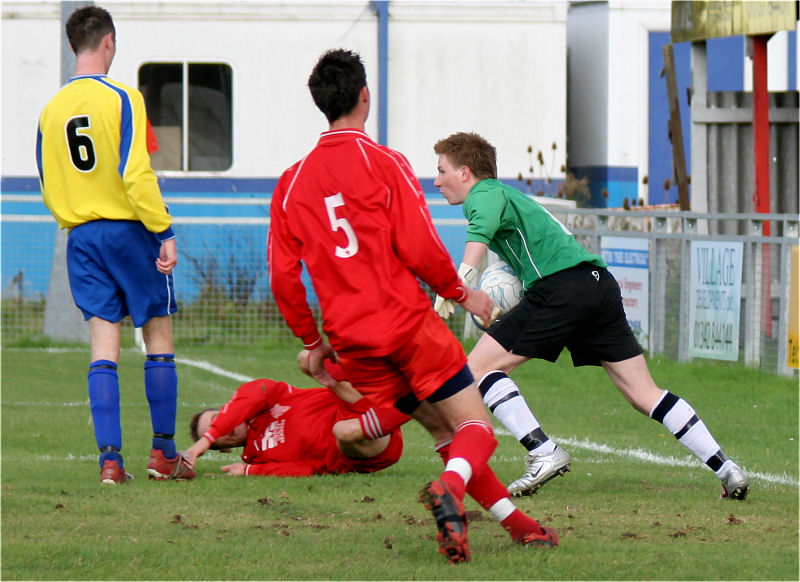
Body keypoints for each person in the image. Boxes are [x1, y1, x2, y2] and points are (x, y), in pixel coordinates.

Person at [267, 49, 556, 563]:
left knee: (445, 430)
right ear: (364, 97)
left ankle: (522, 527)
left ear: (320, 104)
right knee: (475, 429)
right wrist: (464, 291)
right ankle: (447, 488)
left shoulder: (290, 185)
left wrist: (312, 343)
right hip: (406, 325)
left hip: (355, 344)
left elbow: (284, 278)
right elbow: (419, 246)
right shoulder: (384, 162)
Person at [431, 131, 750, 500]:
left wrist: (461, 281)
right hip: (597, 285)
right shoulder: (512, 200)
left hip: (560, 289)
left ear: (466, 173)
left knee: (479, 369)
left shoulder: (484, 193)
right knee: (643, 393)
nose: (437, 181)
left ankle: (543, 451)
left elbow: (480, 228)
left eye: (441, 171)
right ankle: (728, 469)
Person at [35, 6, 194, 484]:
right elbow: (135, 172)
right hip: (129, 230)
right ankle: (163, 454)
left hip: (80, 236)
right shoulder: (123, 97)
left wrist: (75, 219)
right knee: (157, 335)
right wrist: (162, 230)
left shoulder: (51, 109)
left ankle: (110, 462)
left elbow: (47, 180)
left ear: (71, 47)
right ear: (110, 42)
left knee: (103, 344)